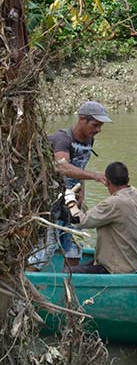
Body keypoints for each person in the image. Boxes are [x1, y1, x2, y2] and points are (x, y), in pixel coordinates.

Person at [27, 101, 112, 270]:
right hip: (53, 200)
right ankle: (30, 282)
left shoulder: (89, 140)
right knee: (46, 249)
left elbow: (80, 168)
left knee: (73, 248)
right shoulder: (63, 139)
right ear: (82, 119)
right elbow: (62, 167)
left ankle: (72, 284)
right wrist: (95, 176)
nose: (98, 130)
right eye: (95, 125)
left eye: (100, 126)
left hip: (71, 201)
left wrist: (81, 196)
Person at [64, 162, 137, 274]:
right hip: (132, 263)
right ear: (128, 179)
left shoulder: (113, 203)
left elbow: (80, 221)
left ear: (106, 182)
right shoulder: (136, 193)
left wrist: (70, 201)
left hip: (115, 268)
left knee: (68, 273)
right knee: (86, 265)